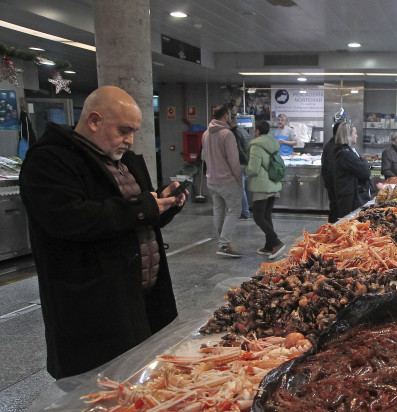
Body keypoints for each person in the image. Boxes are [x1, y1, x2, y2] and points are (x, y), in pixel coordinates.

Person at [19, 85, 187, 379]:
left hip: (140, 298)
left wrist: (164, 205)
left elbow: (136, 221)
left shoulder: (126, 162)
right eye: (124, 130)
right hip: (93, 307)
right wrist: (143, 207)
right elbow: (70, 220)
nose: (130, 139)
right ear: (94, 121)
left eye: (134, 131)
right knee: (99, 393)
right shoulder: (50, 160)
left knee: (145, 380)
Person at [203, 105, 243, 257]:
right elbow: (233, 160)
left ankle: (221, 242)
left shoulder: (206, 133)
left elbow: (205, 156)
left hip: (211, 179)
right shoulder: (227, 134)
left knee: (218, 211)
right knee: (233, 211)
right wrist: (238, 176)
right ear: (226, 115)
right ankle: (223, 244)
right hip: (227, 180)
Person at [246, 121, 286, 260]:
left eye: (254, 129)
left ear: (257, 131)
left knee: (258, 217)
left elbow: (253, 169)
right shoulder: (272, 143)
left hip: (262, 185)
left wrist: (244, 171)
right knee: (267, 215)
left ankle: (276, 242)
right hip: (273, 183)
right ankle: (269, 246)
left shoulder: (256, 146)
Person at [333, 122, 372, 218]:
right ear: (348, 135)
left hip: (351, 196)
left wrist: (364, 163)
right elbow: (365, 172)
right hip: (350, 199)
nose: (357, 136)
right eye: (355, 133)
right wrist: (365, 163)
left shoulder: (347, 151)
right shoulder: (345, 154)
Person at [230, 114, 252, 220]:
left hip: (240, 163)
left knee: (239, 189)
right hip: (245, 163)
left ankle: (244, 211)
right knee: (241, 188)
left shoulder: (235, 132)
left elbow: (238, 150)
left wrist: (241, 161)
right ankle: (244, 211)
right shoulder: (243, 131)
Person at [321, 121, 342, 223]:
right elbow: (331, 169)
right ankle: (332, 232)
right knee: (335, 209)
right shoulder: (332, 147)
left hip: (335, 184)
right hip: (334, 185)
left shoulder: (337, 146)